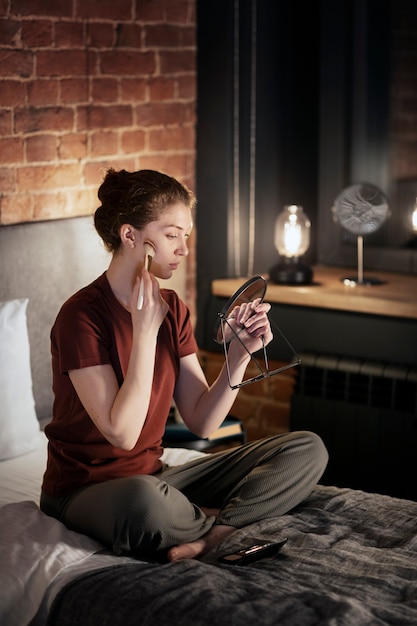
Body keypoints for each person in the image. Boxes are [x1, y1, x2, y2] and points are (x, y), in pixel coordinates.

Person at [40, 168, 328, 562]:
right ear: (130, 237)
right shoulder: (81, 317)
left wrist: (239, 354)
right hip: (85, 489)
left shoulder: (173, 308)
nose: (183, 249)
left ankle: (213, 535)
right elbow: (123, 435)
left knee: (307, 448)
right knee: (145, 506)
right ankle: (228, 518)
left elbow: (202, 422)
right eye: (171, 234)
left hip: (155, 477)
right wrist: (143, 334)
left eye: (185, 236)